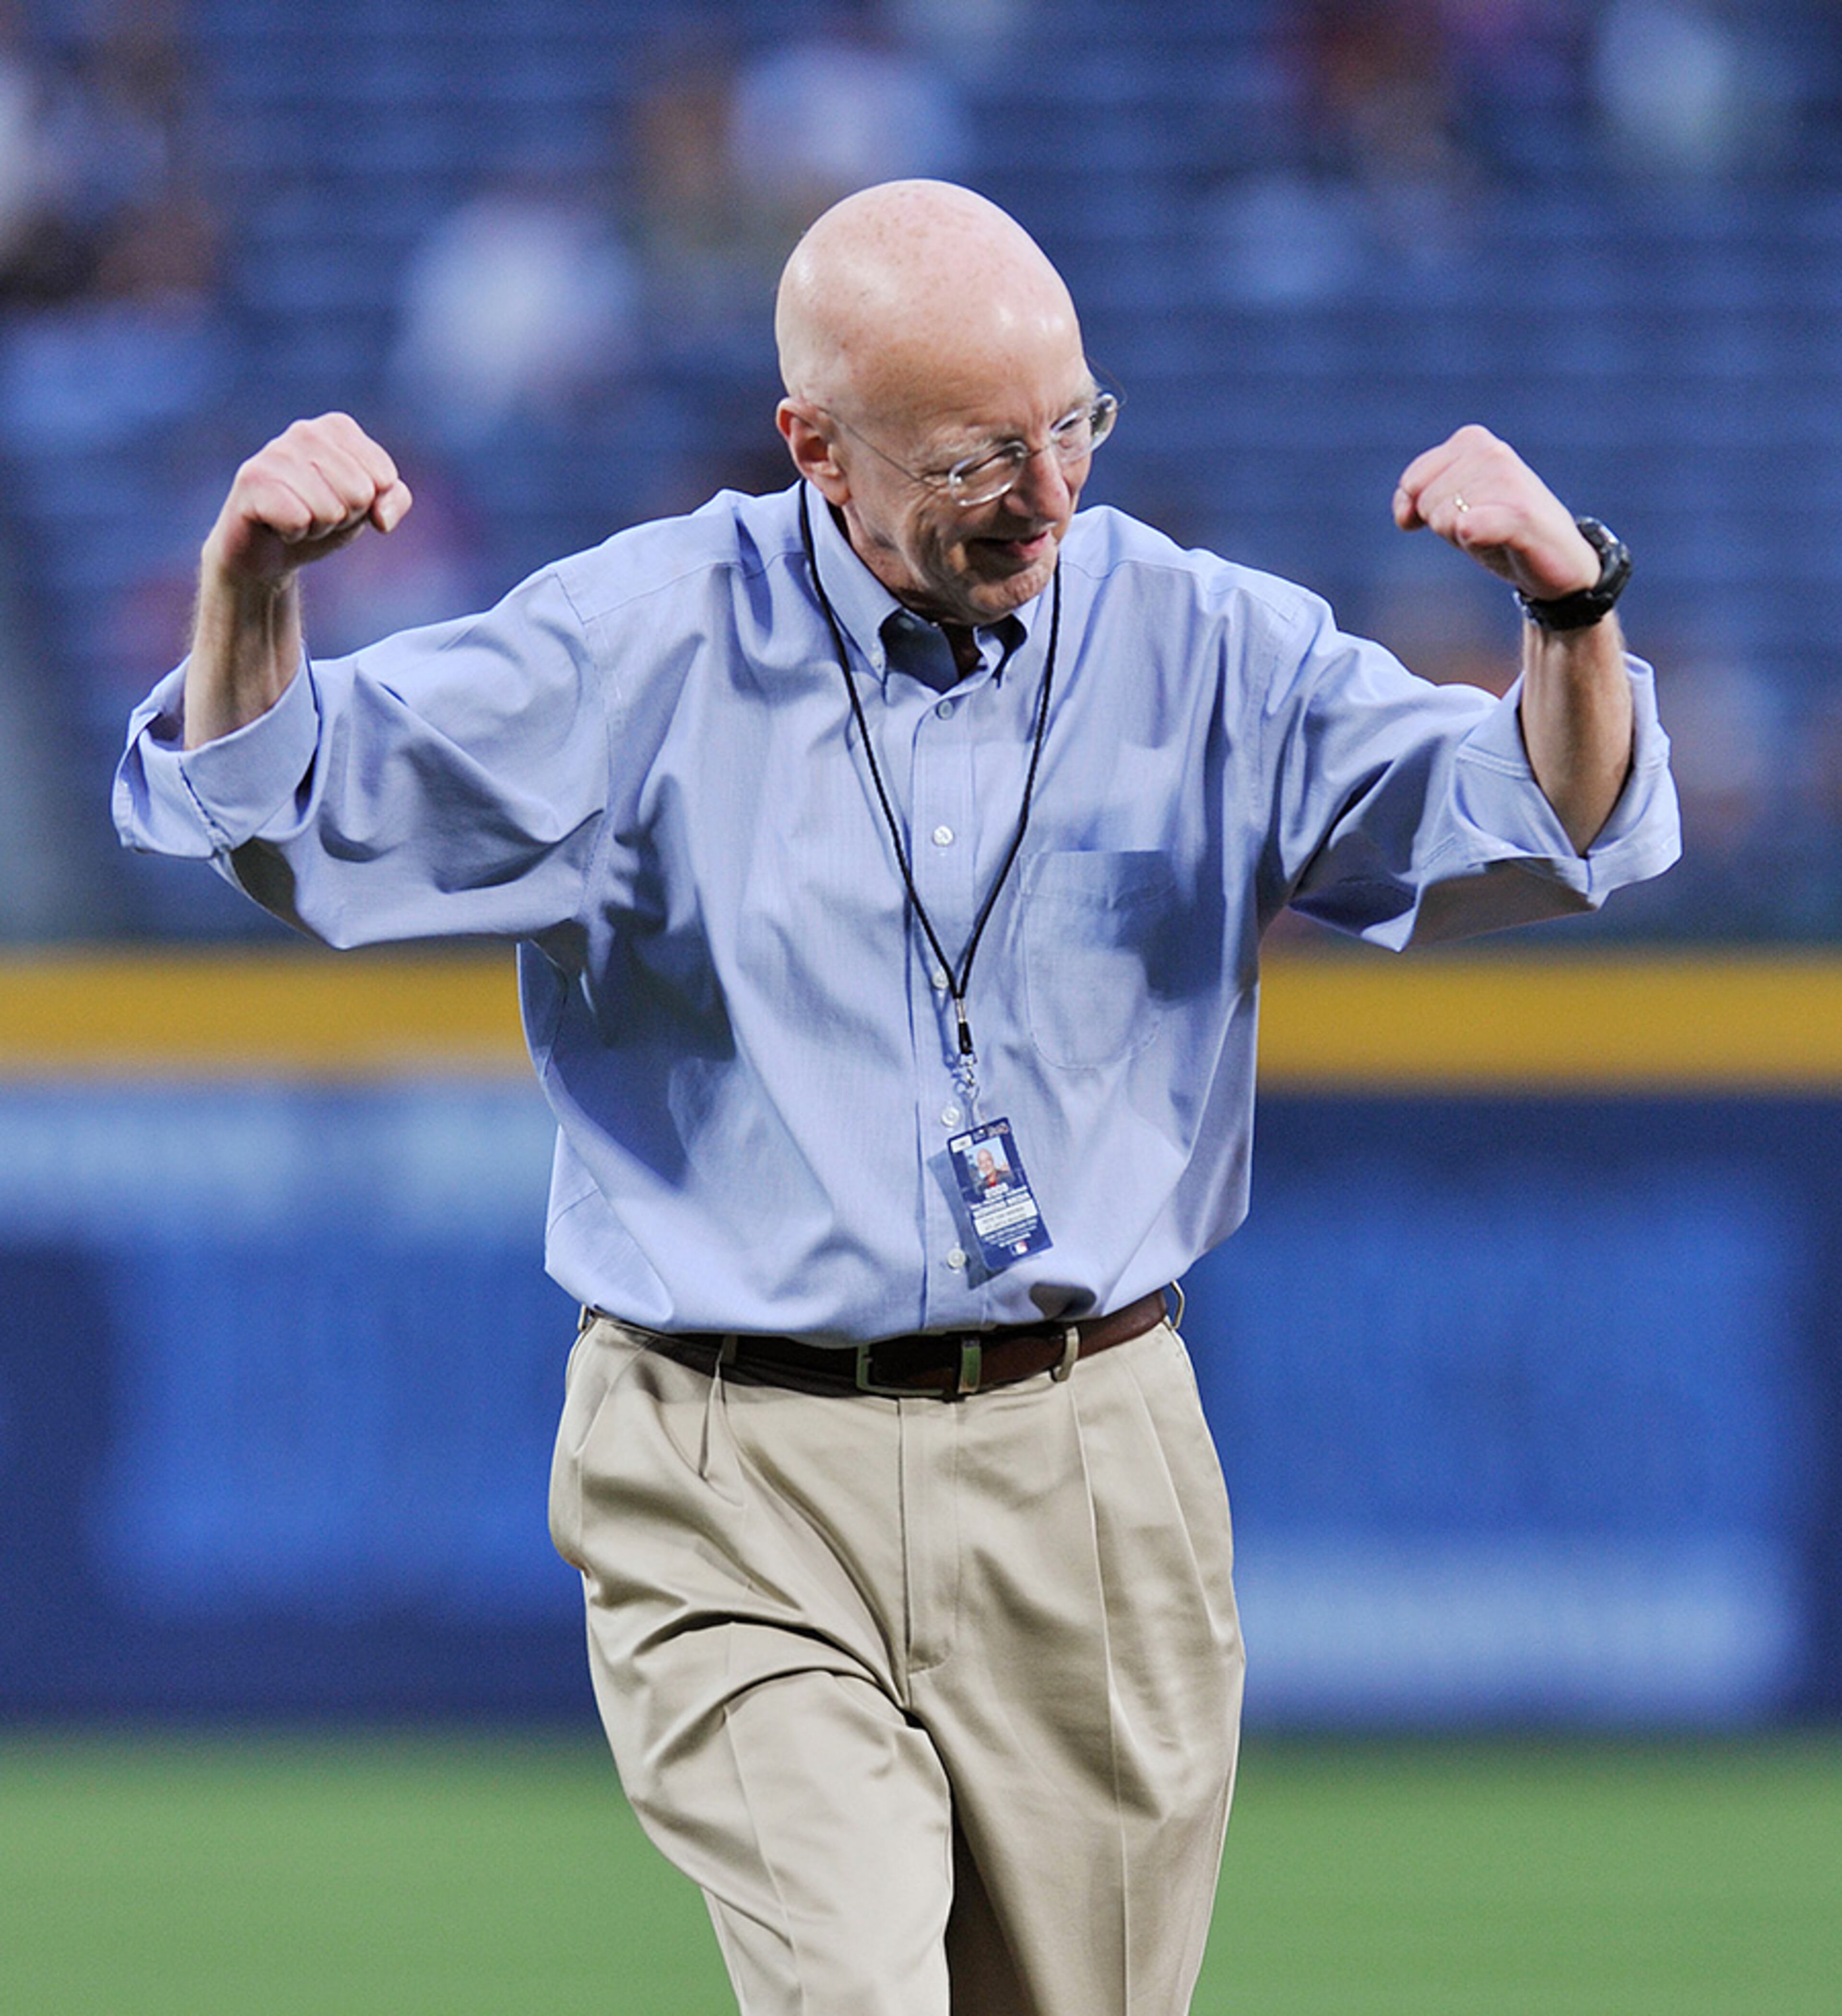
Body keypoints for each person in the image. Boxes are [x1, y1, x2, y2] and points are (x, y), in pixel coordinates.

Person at [114, 178, 1678, 2016]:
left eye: (1072, 425)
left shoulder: (1204, 644)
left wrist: (1570, 616)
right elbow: (283, 810)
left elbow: (1551, 827)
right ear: (815, 448)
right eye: (974, 459)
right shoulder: (635, 646)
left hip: (1092, 1456)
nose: (1046, 492)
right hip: (735, 1459)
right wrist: (249, 597)